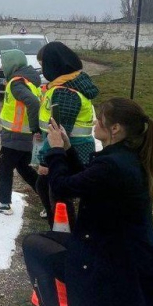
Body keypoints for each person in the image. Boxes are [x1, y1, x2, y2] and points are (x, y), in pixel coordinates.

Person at [22, 98, 153, 306]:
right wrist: (67, 149)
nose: (95, 123)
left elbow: (62, 187)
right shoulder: (122, 157)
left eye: (100, 119)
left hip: (112, 264)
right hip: (115, 251)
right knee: (36, 243)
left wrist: (56, 150)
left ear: (115, 128)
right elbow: (87, 181)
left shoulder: (114, 165)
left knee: (35, 247)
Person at [36, 42, 99, 228]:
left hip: (71, 150)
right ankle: (57, 225)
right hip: (70, 148)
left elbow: (59, 131)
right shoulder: (71, 83)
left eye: (43, 65)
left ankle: (63, 232)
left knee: (58, 194)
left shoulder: (65, 92)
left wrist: (45, 161)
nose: (42, 69)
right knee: (44, 185)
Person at [0, 49, 41, 215]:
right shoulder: (29, 80)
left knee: (4, 167)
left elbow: (33, 103)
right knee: (24, 168)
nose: (2, 66)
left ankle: (2, 203)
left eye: (4, 62)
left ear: (12, 64)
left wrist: (35, 127)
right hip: (22, 137)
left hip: (16, 137)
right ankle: (48, 196)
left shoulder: (16, 83)